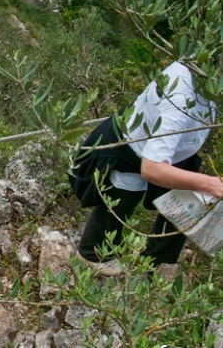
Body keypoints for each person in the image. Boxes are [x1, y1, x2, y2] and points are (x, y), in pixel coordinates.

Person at [72, 61, 223, 276]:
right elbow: (151, 169)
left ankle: (158, 266)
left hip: (167, 149)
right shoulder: (181, 101)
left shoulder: (197, 59)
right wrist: (210, 184)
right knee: (120, 203)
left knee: (189, 203)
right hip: (131, 151)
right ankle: (92, 256)